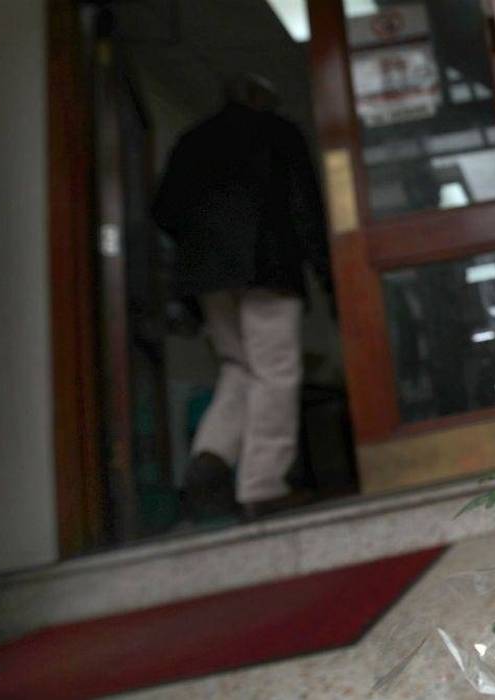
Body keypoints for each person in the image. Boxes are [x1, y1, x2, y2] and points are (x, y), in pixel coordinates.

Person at [153, 74, 331, 520]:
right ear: (259, 98)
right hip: (266, 267)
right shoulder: (279, 133)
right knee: (275, 371)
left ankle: (210, 457)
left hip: (209, 279)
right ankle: (263, 486)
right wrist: (327, 277)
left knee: (239, 366)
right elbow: (305, 209)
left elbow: (164, 209)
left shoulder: (191, 141)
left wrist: (202, 253)